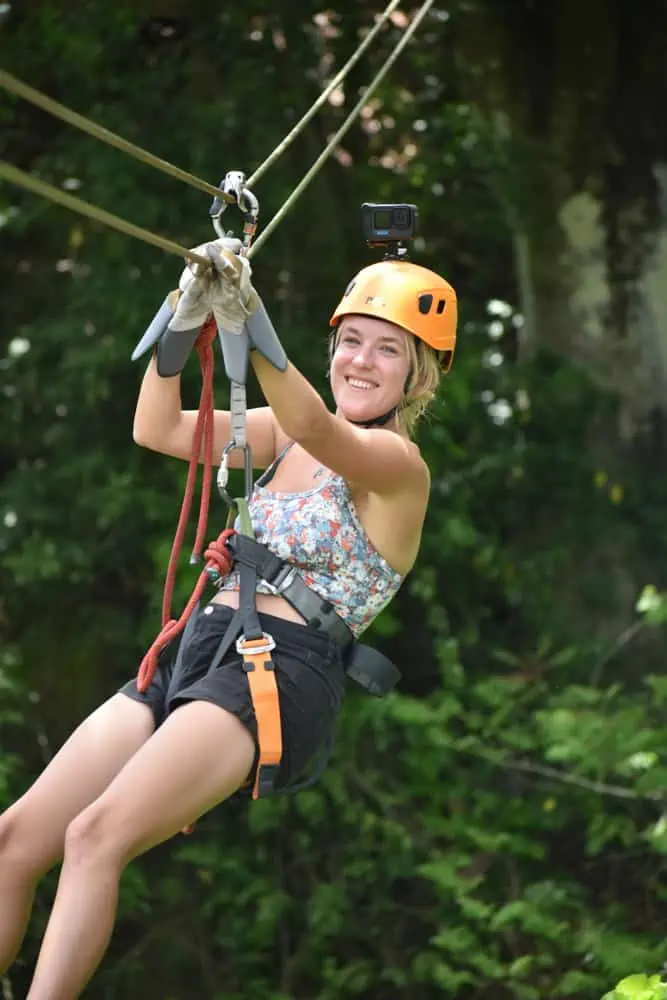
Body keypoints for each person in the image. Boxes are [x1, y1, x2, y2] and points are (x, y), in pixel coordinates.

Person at [0, 242, 457, 999]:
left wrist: (249, 315)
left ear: (419, 375)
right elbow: (155, 427)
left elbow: (315, 425)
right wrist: (182, 320)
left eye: (388, 351)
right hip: (200, 645)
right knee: (15, 841)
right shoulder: (279, 442)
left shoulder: (395, 467)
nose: (362, 362)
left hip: (281, 667)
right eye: (350, 341)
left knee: (93, 838)